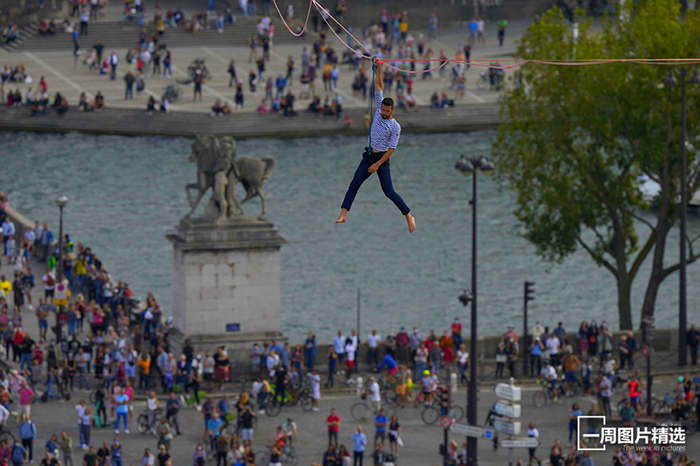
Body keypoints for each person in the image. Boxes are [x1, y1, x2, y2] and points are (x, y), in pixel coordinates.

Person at [336, 59, 416, 233]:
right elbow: (378, 85)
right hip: (369, 156)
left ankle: (408, 215)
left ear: (392, 110)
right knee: (354, 183)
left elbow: (392, 149)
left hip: (382, 159)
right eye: (383, 110)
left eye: (388, 111)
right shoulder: (379, 108)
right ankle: (343, 213)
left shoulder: (395, 126)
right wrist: (379, 67)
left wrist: (377, 165)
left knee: (389, 192)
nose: (384, 112)